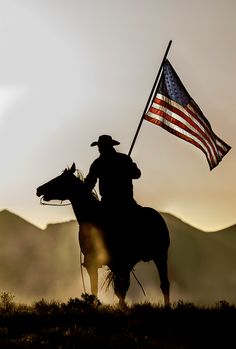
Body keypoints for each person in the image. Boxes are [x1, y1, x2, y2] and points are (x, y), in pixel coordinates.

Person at [84, 135, 141, 214]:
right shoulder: (123, 158)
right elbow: (137, 174)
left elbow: (88, 184)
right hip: (120, 202)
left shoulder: (98, 163)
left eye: (101, 146)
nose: (99, 149)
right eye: (99, 146)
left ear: (108, 146)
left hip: (118, 202)